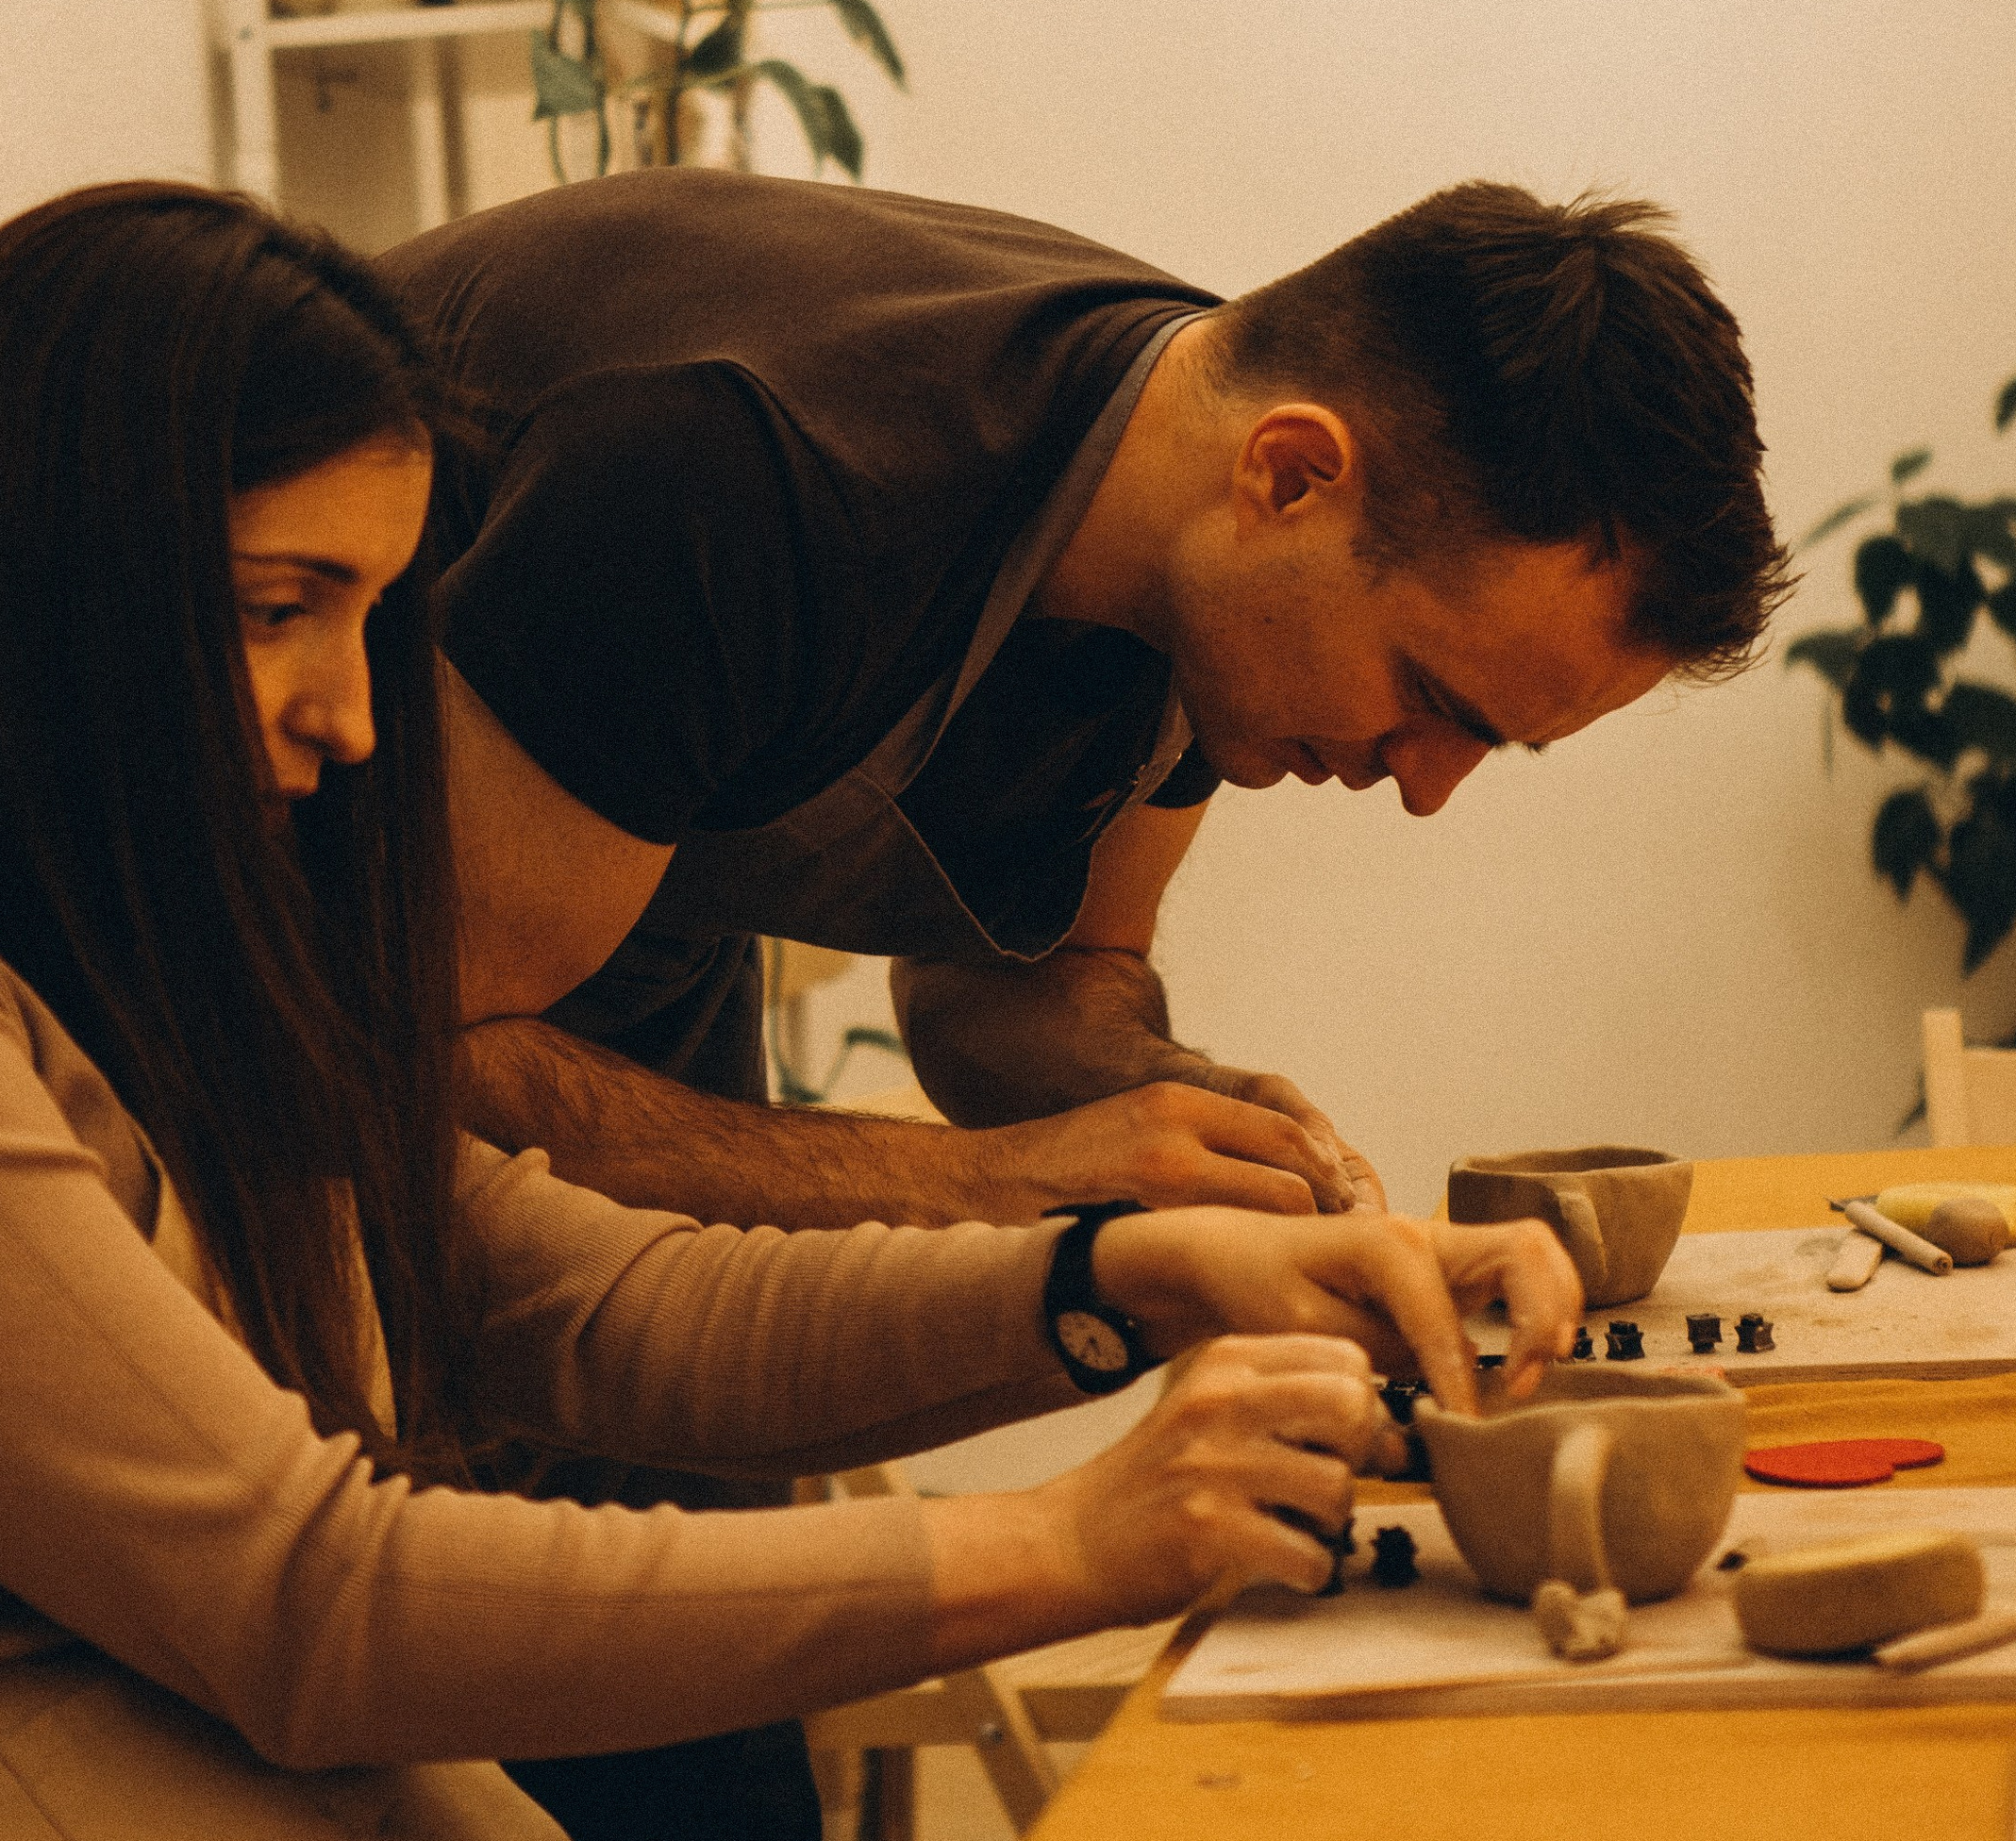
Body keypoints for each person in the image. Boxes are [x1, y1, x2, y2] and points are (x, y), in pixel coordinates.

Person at [0, 182, 1579, 1841]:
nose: (353, 719)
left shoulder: (133, 938)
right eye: (280, 608)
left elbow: (585, 1293)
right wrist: (1067, 1546)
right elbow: (305, 1594)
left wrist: (1127, 1279)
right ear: (31, 586)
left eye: (370, 619)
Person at [388, 170, 1784, 1236]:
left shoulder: (1198, 554)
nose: (1424, 787)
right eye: (1430, 698)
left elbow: (1017, 992)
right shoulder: (737, 476)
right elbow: (420, 1057)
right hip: (320, 976)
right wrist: (995, 1180)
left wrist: (1172, 1107)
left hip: (620, 929)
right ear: (1289, 477)